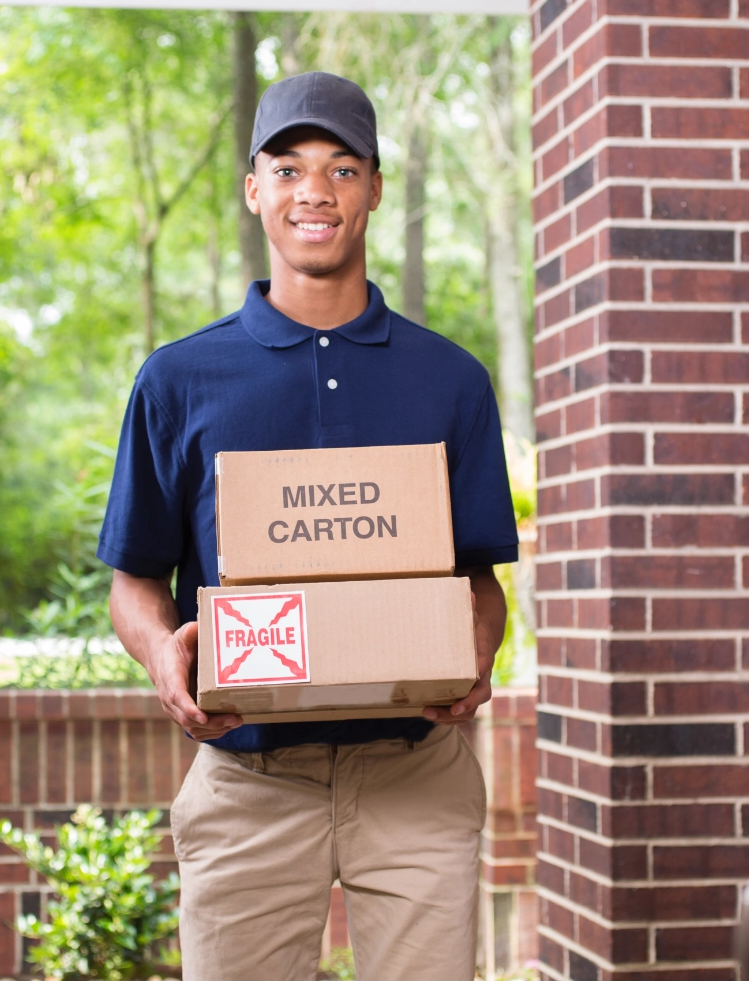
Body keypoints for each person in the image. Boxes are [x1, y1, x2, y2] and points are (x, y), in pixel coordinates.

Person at [99, 71, 519, 981]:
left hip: (415, 772)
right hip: (248, 782)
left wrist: (476, 650)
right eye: (287, 169)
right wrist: (160, 653)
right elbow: (133, 576)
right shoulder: (179, 381)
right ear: (255, 190)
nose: (314, 193)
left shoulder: (450, 381)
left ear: (373, 186)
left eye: (340, 168)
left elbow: (480, 579)